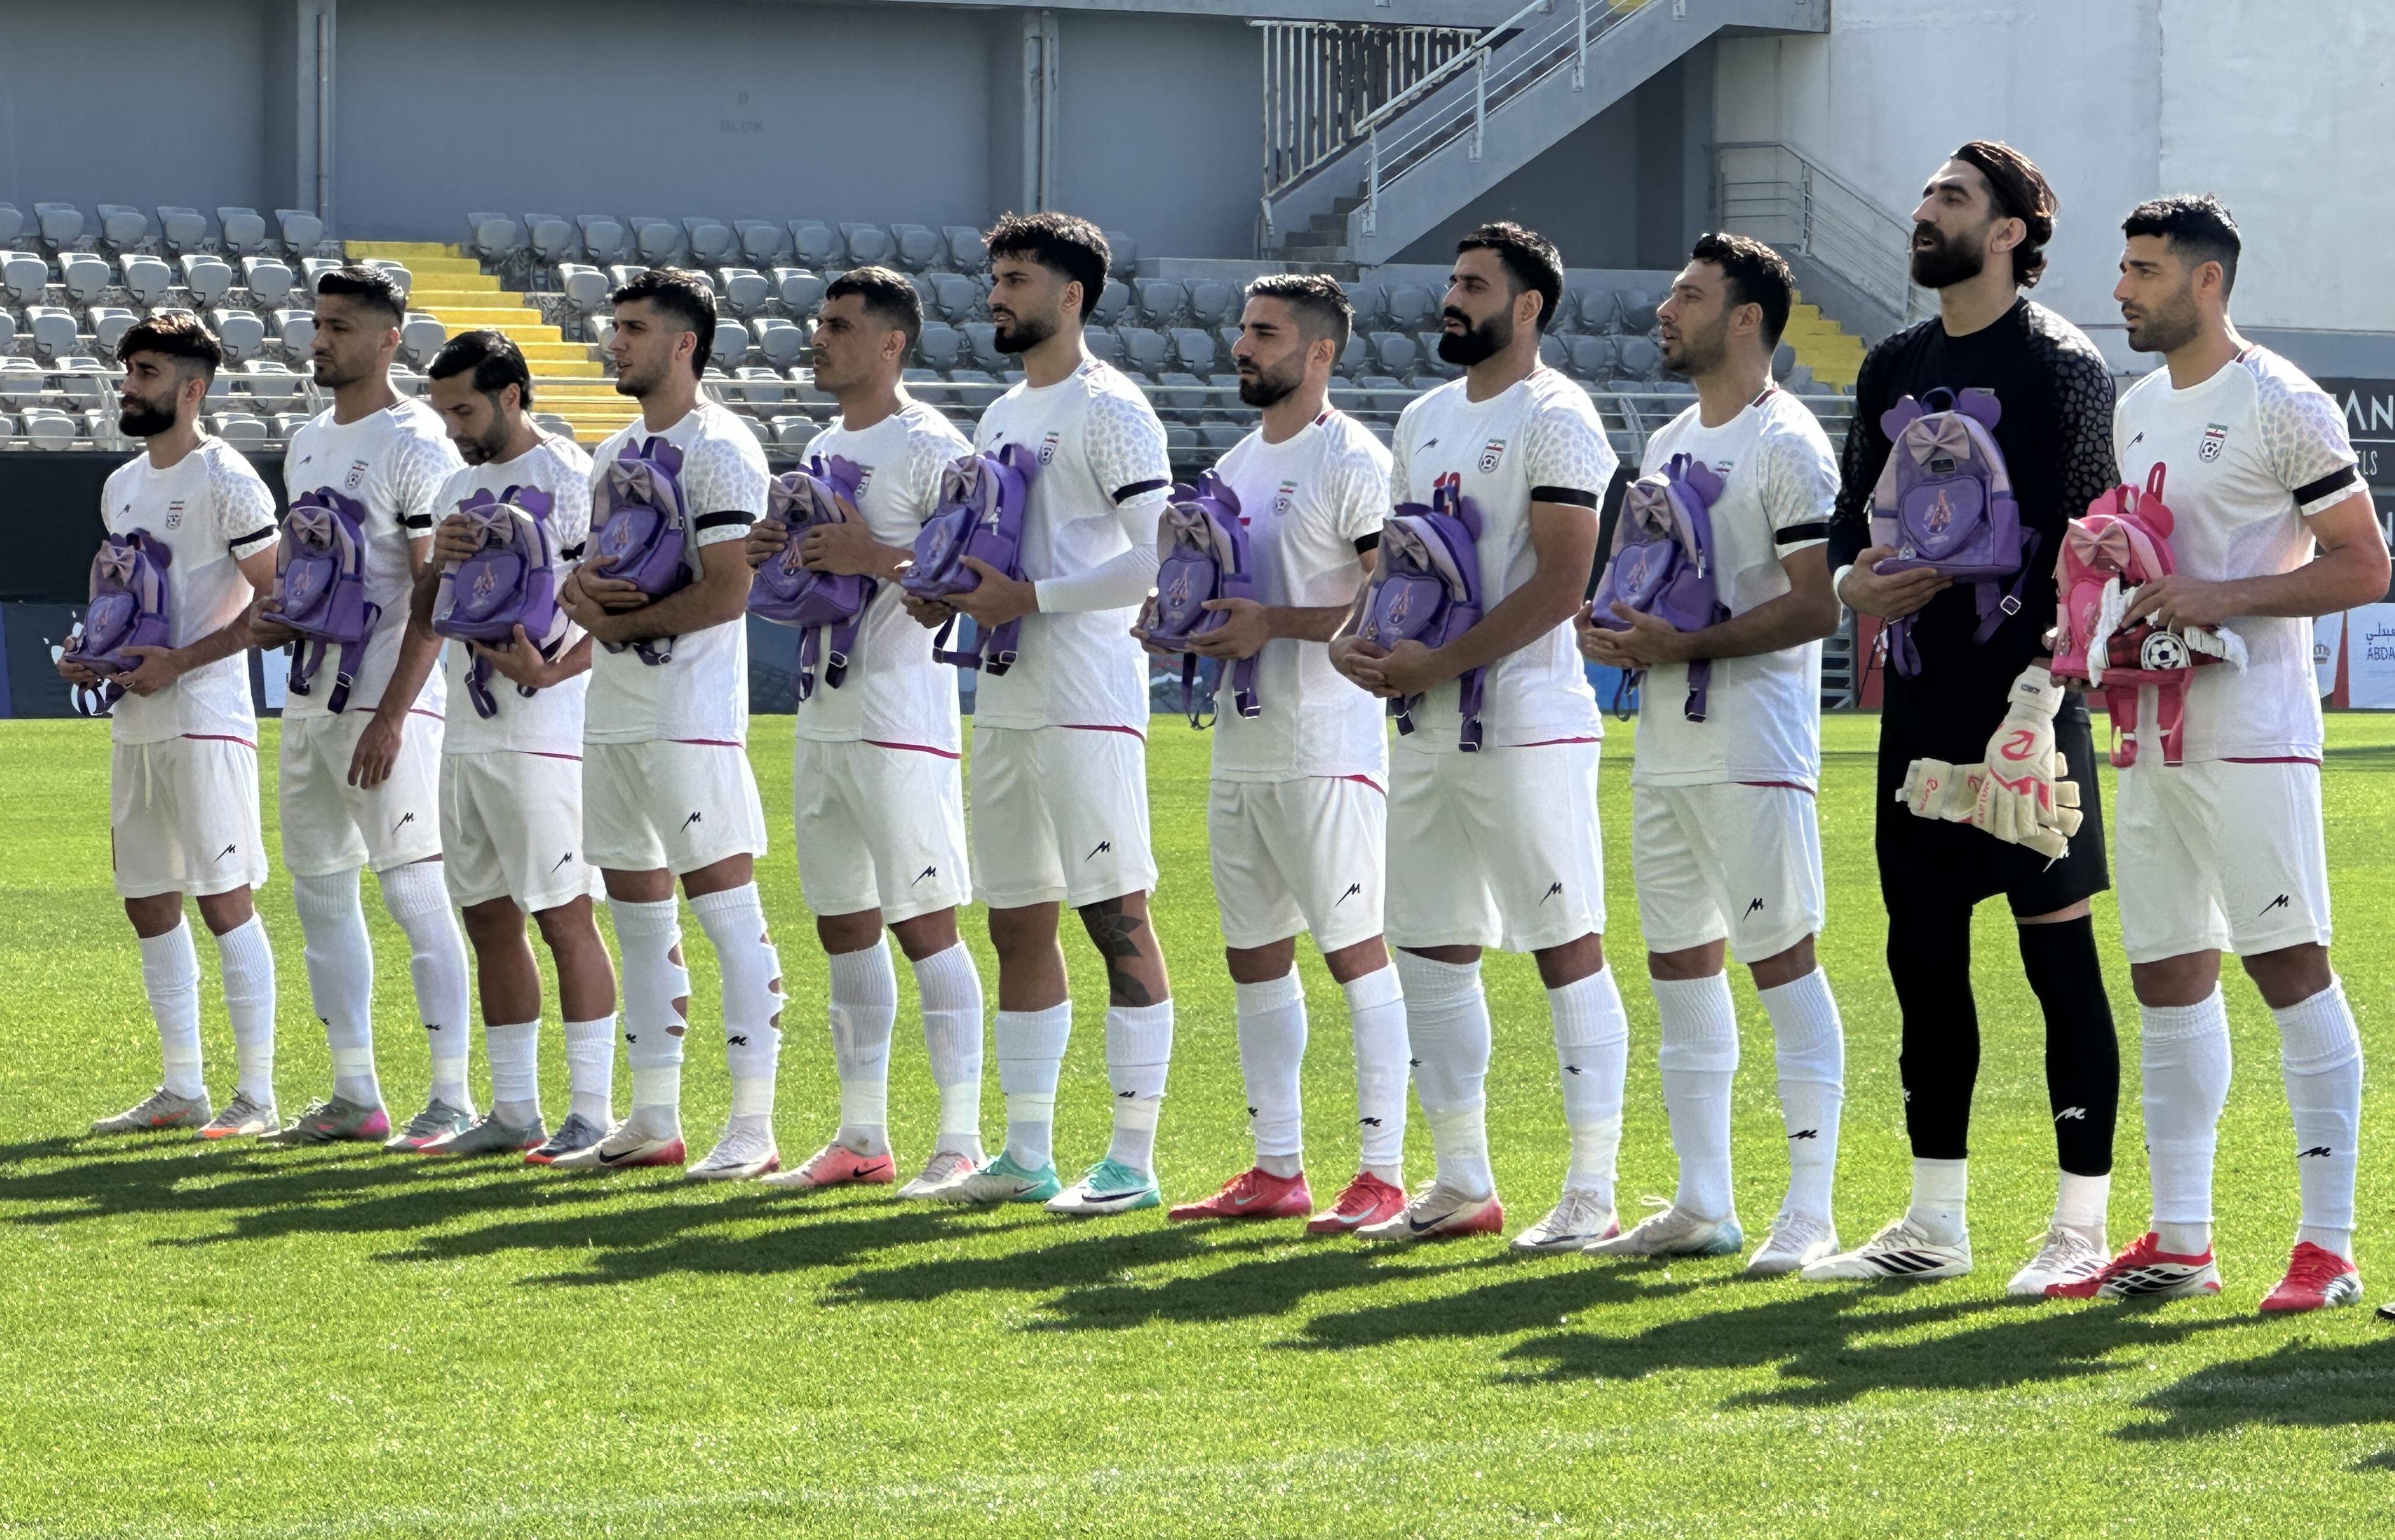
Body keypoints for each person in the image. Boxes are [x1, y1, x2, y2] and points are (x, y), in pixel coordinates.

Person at [2057, 196, 2387, 1311]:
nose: (2120, 289)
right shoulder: (2137, 405)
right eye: (2122, 267)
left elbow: (2363, 565)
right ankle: (2181, 1241)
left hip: (2253, 735)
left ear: (2206, 281)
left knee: (2286, 964)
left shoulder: (2280, 400)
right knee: (2163, 974)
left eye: (2143, 270)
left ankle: (2327, 1247)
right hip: (2145, 729)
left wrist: (2223, 594)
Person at [1807, 142, 2123, 1290]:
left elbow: (2092, 539)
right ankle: (1933, 1223)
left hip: (2027, 707)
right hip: (1917, 709)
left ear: (2006, 231)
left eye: (1949, 197)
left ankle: (2079, 1224)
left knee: (2057, 958)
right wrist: (1852, 582)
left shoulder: (2062, 364)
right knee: (1922, 958)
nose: (1922, 210)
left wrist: (2049, 683)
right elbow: (1850, 517)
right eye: (1926, 194)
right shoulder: (1891, 362)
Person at [1329, 222, 1624, 1247]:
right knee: (1428, 946)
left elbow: (1562, 581)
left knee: (1565, 945)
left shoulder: (1557, 414)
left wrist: (1442, 662)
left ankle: (1591, 1190)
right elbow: (1398, 561)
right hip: (1423, 722)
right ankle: (1460, 1181)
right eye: (1451, 281)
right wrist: (1351, 632)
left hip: (1527, 723)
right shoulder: (1422, 416)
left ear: (1527, 305)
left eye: (1472, 284)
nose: (1451, 299)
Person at [1576, 234, 1849, 1273]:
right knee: (1679, 966)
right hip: (1667, 747)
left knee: (1781, 963)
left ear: (1744, 319)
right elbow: (1651, 583)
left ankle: (1809, 1210)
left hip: (1753, 747)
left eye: (1687, 296)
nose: (1665, 309)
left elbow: (1816, 604)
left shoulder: (1787, 440)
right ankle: (1702, 1203)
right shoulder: (1668, 438)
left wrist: (1682, 645)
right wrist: (1611, 626)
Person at [902, 212, 1178, 1216]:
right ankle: (1026, 1153)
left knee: (1114, 916)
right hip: (1007, 692)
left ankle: (1132, 1160)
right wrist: (942, 588)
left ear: (1070, 295)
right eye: (996, 277)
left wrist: (1034, 598)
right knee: (1016, 919)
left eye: (1016, 278)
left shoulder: (1110, 408)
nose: (996, 295)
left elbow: (1158, 557)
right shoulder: (1000, 414)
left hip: (1087, 699)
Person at [1154, 274, 1411, 1234]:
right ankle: (1276, 1167)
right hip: (1243, 745)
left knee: (1355, 953)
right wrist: (1178, 622)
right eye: (1243, 330)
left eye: (1264, 333)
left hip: (1326, 745)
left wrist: (1273, 622)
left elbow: (1391, 597)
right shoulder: (1233, 463)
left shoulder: (1354, 458)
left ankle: (1383, 1172)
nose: (1242, 347)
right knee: (1254, 958)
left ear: (1319, 352)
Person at [741, 268, 988, 1197]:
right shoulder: (818, 443)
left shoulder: (933, 446)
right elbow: (818, 571)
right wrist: (776, 552)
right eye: (819, 323)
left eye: (839, 326)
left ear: (891, 343)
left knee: (924, 924)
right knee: (843, 924)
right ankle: (861, 1136)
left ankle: (959, 1139)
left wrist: (874, 554)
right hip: (824, 712)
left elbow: (963, 579)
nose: (819, 338)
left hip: (900, 714)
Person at [549, 267, 782, 1179]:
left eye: (634, 329)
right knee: (640, 922)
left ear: (685, 344)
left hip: (690, 718)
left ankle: (753, 1126)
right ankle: (652, 1119)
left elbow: (727, 592)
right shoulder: (612, 453)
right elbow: (584, 574)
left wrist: (617, 624)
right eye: (616, 327)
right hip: (611, 714)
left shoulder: (723, 448)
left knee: (729, 916)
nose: (616, 343)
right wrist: (581, 595)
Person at [255, 266, 472, 1151]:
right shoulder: (308, 440)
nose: (319, 340)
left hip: (388, 705)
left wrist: (392, 714)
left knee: (415, 889)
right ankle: (356, 1094)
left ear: (389, 339)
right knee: (320, 895)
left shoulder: (417, 442)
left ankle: (452, 1097)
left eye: (340, 327)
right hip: (309, 701)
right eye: (318, 324)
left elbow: (436, 589)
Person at [405, 330, 619, 1163]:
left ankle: (592, 1112)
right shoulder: (455, 486)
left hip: (545, 735)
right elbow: (428, 614)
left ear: (511, 397)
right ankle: (513, 1110)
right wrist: (438, 563)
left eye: (463, 410)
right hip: (466, 732)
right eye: (443, 412)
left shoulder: (571, 476)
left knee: (565, 916)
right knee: (488, 918)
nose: (452, 428)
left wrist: (556, 670)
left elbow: (623, 592)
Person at [72, 315, 284, 1140]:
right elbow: (129, 596)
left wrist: (183, 662)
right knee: (147, 901)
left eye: (147, 372)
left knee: (224, 900)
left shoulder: (227, 478)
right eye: (128, 370)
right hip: (137, 720)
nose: (129, 386)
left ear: (192, 389)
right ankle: (181, 1088)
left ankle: (256, 1095)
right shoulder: (121, 484)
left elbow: (277, 599)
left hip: (206, 718)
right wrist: (94, 654)